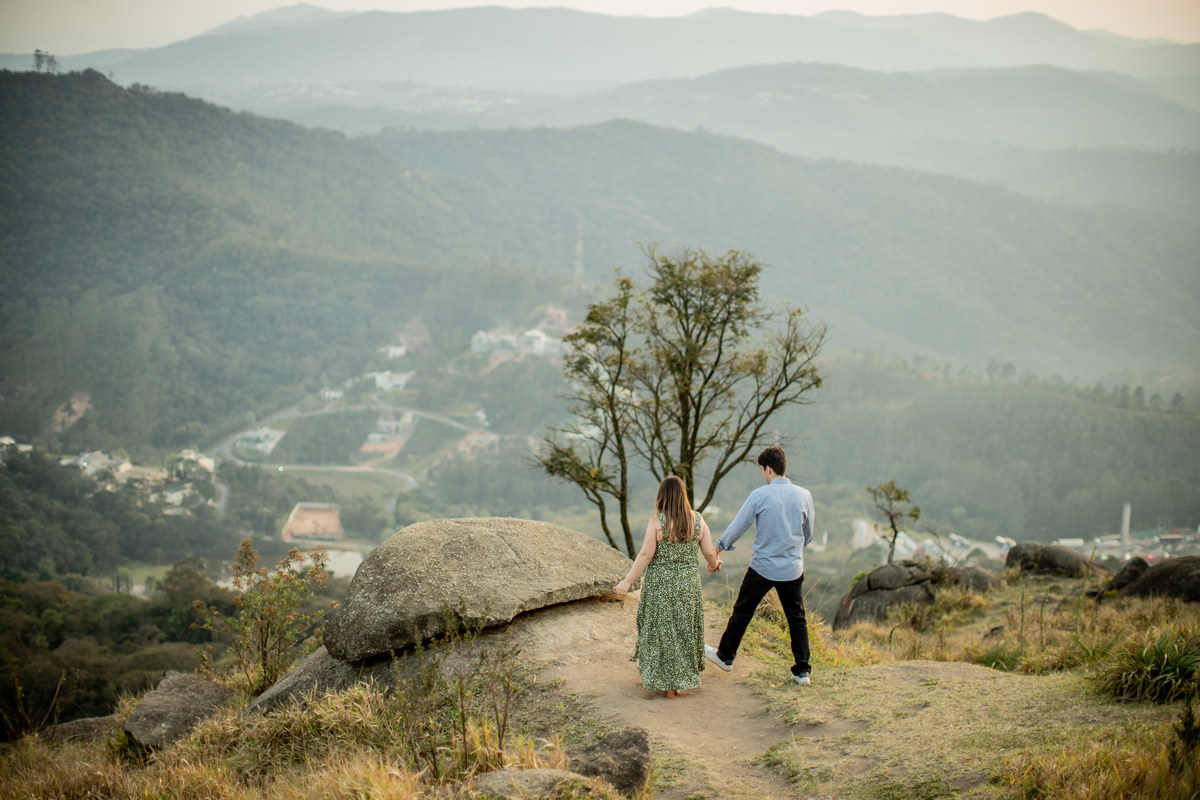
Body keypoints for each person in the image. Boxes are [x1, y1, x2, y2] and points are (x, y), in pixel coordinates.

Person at [705, 445, 815, 685]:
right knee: (796, 618)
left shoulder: (760, 495)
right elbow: (808, 533)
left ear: (768, 469)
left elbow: (739, 525)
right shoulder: (804, 495)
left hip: (763, 567)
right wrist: (795, 551)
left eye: (762, 470)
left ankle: (725, 656)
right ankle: (802, 671)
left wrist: (717, 549)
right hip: (792, 569)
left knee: (742, 612)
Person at [614, 475, 723, 698]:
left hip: (660, 585)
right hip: (687, 585)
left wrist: (627, 581)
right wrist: (714, 564)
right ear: (684, 495)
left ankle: (663, 680)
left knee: (659, 630)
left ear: (662, 496)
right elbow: (709, 552)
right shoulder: (698, 521)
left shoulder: (657, 522)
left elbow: (646, 555)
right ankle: (678, 681)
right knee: (683, 630)